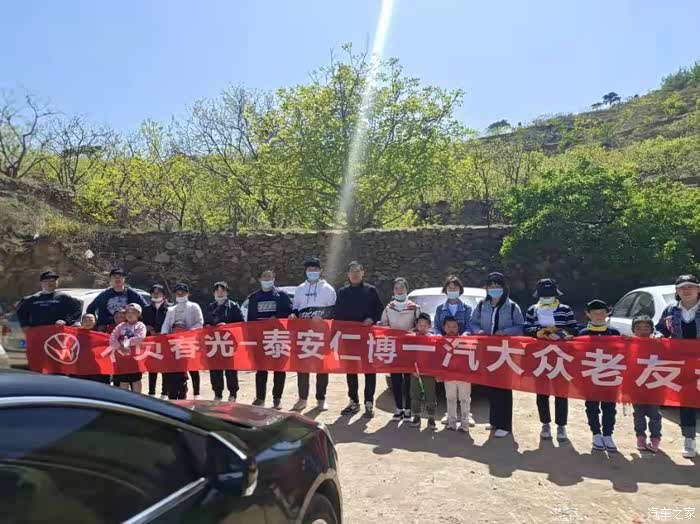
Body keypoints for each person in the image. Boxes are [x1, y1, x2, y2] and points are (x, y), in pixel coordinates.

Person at [524, 278, 578, 443]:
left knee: (561, 392)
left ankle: (561, 426)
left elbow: (574, 329)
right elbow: (526, 328)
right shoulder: (533, 309)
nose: (547, 297)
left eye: (549, 294)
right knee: (542, 393)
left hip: (561, 357)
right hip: (540, 357)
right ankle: (545, 424)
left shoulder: (565, 309)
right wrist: (541, 332)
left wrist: (560, 333)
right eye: (544, 294)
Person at [471, 272, 525, 438]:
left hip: (505, 352)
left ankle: (505, 425)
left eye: (497, 285)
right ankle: (494, 421)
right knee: (491, 387)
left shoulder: (512, 306)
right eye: (491, 286)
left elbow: (520, 326)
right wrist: (478, 331)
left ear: (504, 287)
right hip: (487, 351)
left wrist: (506, 332)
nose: (494, 289)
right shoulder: (482, 305)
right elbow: (473, 323)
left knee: (504, 388)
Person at [656, 274, 700, 458]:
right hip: (681, 364)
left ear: (698, 289)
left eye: (690, 286)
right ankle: (689, 439)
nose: (686, 290)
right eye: (682, 287)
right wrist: (658, 336)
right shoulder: (670, 310)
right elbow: (660, 329)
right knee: (687, 401)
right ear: (677, 291)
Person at [334, 261, 384, 419]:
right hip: (349, 339)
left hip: (367, 338)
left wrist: (372, 319)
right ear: (348, 274)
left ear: (363, 273)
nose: (355, 274)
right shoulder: (342, 293)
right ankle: (354, 401)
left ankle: (369, 402)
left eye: (358, 271)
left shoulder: (371, 291)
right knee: (351, 370)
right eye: (352, 271)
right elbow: (337, 315)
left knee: (369, 370)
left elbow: (379, 311)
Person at [288, 257, 336, 412]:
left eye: (315, 269)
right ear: (305, 271)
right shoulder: (300, 289)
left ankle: (321, 399)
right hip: (303, 335)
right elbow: (296, 308)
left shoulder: (328, 289)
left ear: (320, 271)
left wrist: (323, 318)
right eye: (309, 269)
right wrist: (293, 315)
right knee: (302, 367)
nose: (312, 272)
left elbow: (334, 311)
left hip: (321, 334)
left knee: (322, 367)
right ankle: (302, 399)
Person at [578, 299, 621, 453]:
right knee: (592, 406)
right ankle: (596, 434)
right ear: (588, 314)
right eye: (595, 313)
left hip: (610, 375)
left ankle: (608, 434)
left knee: (609, 407)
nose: (599, 316)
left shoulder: (614, 333)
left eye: (602, 313)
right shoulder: (583, 334)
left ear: (607, 313)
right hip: (591, 376)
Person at [247, 269, 293, 409]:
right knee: (261, 369)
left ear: (274, 278)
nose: (267, 279)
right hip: (260, 338)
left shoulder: (282, 296)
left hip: (277, 337)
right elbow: (250, 320)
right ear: (259, 279)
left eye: (270, 276)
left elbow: (290, 313)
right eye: (264, 276)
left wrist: (277, 317)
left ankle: (277, 399)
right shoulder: (254, 297)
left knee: (279, 368)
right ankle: (260, 398)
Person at [434, 275, 475, 428]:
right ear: (445, 290)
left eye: (455, 288)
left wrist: (463, 337)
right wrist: (440, 337)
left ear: (460, 290)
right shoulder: (440, 309)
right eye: (449, 288)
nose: (452, 290)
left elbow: (469, 327)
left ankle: (466, 417)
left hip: (463, 351)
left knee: (464, 390)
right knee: (450, 390)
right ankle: (451, 417)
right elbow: (436, 327)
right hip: (446, 352)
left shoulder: (467, 309)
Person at [380, 277, 421, 422]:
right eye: (396, 288)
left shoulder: (415, 308)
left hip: (409, 348)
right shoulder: (389, 308)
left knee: (409, 380)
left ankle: (408, 409)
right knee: (396, 379)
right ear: (393, 290)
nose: (399, 290)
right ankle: (398, 409)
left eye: (402, 287)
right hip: (394, 347)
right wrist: (390, 332)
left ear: (407, 289)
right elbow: (383, 325)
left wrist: (409, 334)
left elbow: (420, 326)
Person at [161, 283, 204, 400]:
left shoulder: (194, 306)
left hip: (189, 340)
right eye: (178, 293)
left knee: (192, 367)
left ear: (188, 293)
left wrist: (187, 332)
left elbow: (199, 322)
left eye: (183, 292)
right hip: (174, 341)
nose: (180, 294)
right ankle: (171, 391)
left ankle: (196, 392)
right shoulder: (171, 309)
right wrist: (164, 336)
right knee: (175, 367)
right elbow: (166, 324)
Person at [629, 315, 663, 453]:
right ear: (633, 330)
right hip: (636, 386)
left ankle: (655, 438)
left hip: (654, 385)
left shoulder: (658, 343)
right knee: (638, 413)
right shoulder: (629, 345)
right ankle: (640, 436)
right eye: (638, 328)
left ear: (651, 330)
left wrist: (659, 337)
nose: (642, 331)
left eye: (646, 328)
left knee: (655, 414)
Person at [204, 281, 244, 402]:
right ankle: (218, 394)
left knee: (230, 369)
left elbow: (241, 323)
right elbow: (205, 322)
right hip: (214, 343)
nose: (220, 293)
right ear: (214, 293)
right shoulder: (210, 307)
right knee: (215, 369)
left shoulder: (234, 306)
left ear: (227, 292)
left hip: (229, 343)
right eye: (217, 291)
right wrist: (207, 326)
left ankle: (232, 394)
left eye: (223, 290)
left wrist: (227, 326)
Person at [16, 271, 82, 330]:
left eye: (53, 280)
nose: (50, 283)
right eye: (47, 281)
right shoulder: (32, 299)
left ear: (57, 282)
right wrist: (25, 325)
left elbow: (77, 310)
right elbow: (21, 313)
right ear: (41, 283)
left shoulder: (64, 297)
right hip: (37, 333)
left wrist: (65, 321)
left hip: (58, 333)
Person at [442, 316, 473, 433]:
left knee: (465, 399)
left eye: (454, 326)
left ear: (458, 327)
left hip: (464, 376)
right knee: (450, 398)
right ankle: (452, 422)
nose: (451, 329)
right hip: (449, 375)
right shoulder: (440, 342)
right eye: (448, 326)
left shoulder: (465, 341)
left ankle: (465, 423)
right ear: (444, 328)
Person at [109, 303, 146, 393]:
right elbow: (112, 337)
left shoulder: (140, 325)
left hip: (134, 358)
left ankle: (137, 399)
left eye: (133, 312)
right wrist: (119, 347)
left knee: (136, 380)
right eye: (128, 312)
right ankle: (124, 399)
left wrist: (126, 343)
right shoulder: (121, 326)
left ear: (138, 314)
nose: (130, 314)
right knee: (123, 380)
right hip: (121, 358)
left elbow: (140, 337)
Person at [141, 284, 170, 399]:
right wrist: (147, 328)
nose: (156, 294)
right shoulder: (145, 309)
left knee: (165, 367)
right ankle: (151, 392)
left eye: (159, 292)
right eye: (154, 292)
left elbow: (173, 323)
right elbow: (140, 323)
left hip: (166, 342)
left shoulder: (170, 308)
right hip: (150, 341)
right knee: (152, 367)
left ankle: (164, 392)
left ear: (164, 294)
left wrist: (163, 332)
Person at [409, 313, 437, 429]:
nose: (422, 327)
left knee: (430, 396)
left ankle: (431, 418)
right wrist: (412, 370)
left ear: (430, 326)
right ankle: (416, 416)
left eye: (425, 325)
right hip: (415, 373)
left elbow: (437, 357)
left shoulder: (434, 339)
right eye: (420, 325)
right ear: (416, 325)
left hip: (429, 374)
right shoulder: (411, 338)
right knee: (415, 395)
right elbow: (407, 356)